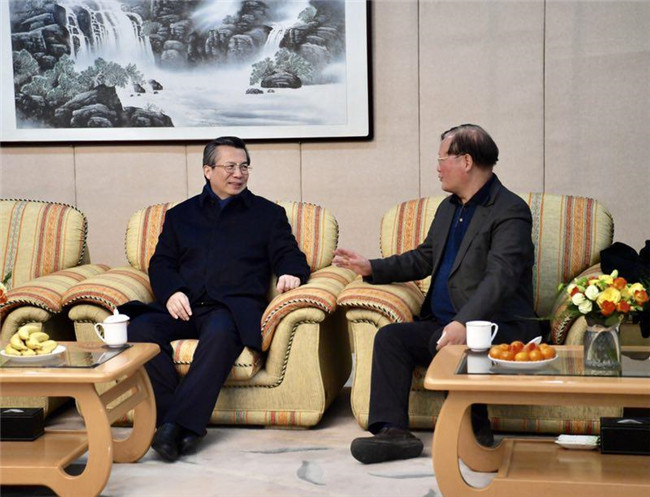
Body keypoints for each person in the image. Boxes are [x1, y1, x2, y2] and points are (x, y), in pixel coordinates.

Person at [333, 124, 540, 464]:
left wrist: (463, 323)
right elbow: (424, 258)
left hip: (493, 326)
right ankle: (393, 433)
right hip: (443, 323)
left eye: (442, 159)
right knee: (391, 338)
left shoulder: (509, 211)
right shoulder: (449, 208)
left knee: (452, 343)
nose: (438, 167)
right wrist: (371, 267)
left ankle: (475, 433)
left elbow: (500, 278)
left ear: (466, 161)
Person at [122, 136, 310, 462]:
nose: (239, 174)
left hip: (230, 308)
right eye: (230, 167)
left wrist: (291, 272)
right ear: (207, 170)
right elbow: (161, 263)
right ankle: (172, 420)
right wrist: (172, 292)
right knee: (138, 329)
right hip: (184, 305)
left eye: (244, 166)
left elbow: (289, 254)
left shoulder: (267, 214)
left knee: (221, 334)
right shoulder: (180, 215)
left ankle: (173, 428)